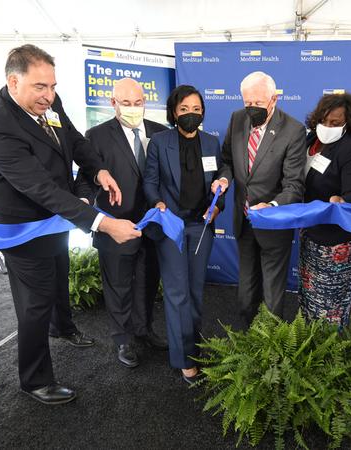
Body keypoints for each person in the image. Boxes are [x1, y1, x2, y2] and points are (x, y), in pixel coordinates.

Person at [0, 44, 140, 405]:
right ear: (13, 82)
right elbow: (40, 189)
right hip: (18, 223)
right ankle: (35, 379)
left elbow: (75, 140)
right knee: (35, 299)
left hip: (52, 217)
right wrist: (103, 223)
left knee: (59, 271)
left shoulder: (48, 100)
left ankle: (62, 328)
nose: (49, 96)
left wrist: (98, 170)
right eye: (40, 88)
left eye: (52, 86)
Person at [75, 78, 168, 368]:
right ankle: (123, 339)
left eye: (138, 103)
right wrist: (85, 203)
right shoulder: (96, 136)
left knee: (148, 282)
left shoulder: (160, 132)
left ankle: (144, 329)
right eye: (125, 103)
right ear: (113, 103)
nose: (132, 108)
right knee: (118, 285)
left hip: (151, 224)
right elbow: (87, 178)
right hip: (115, 226)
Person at [144, 85, 225, 384]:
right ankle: (184, 360)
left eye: (196, 109)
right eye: (184, 110)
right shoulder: (159, 142)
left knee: (194, 291)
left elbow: (218, 181)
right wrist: (157, 203)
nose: (191, 114)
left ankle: (192, 343)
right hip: (172, 226)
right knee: (177, 294)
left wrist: (218, 208)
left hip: (201, 225)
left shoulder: (211, 143)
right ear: (173, 113)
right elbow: (150, 181)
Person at [212, 71, 306, 327]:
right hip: (243, 222)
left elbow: (294, 184)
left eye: (258, 103)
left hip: (273, 225)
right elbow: (228, 161)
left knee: (273, 295)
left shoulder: (294, 130)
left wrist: (272, 206)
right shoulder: (237, 119)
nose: (251, 109)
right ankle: (245, 341)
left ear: (273, 99)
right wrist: (224, 179)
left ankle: (272, 348)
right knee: (245, 290)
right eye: (247, 103)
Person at [298, 93, 351, 326]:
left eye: (336, 123)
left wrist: (343, 199)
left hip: (335, 242)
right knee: (309, 298)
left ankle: (329, 357)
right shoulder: (310, 140)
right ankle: (309, 351)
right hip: (310, 234)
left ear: (348, 124)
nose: (328, 127)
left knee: (330, 308)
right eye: (324, 121)